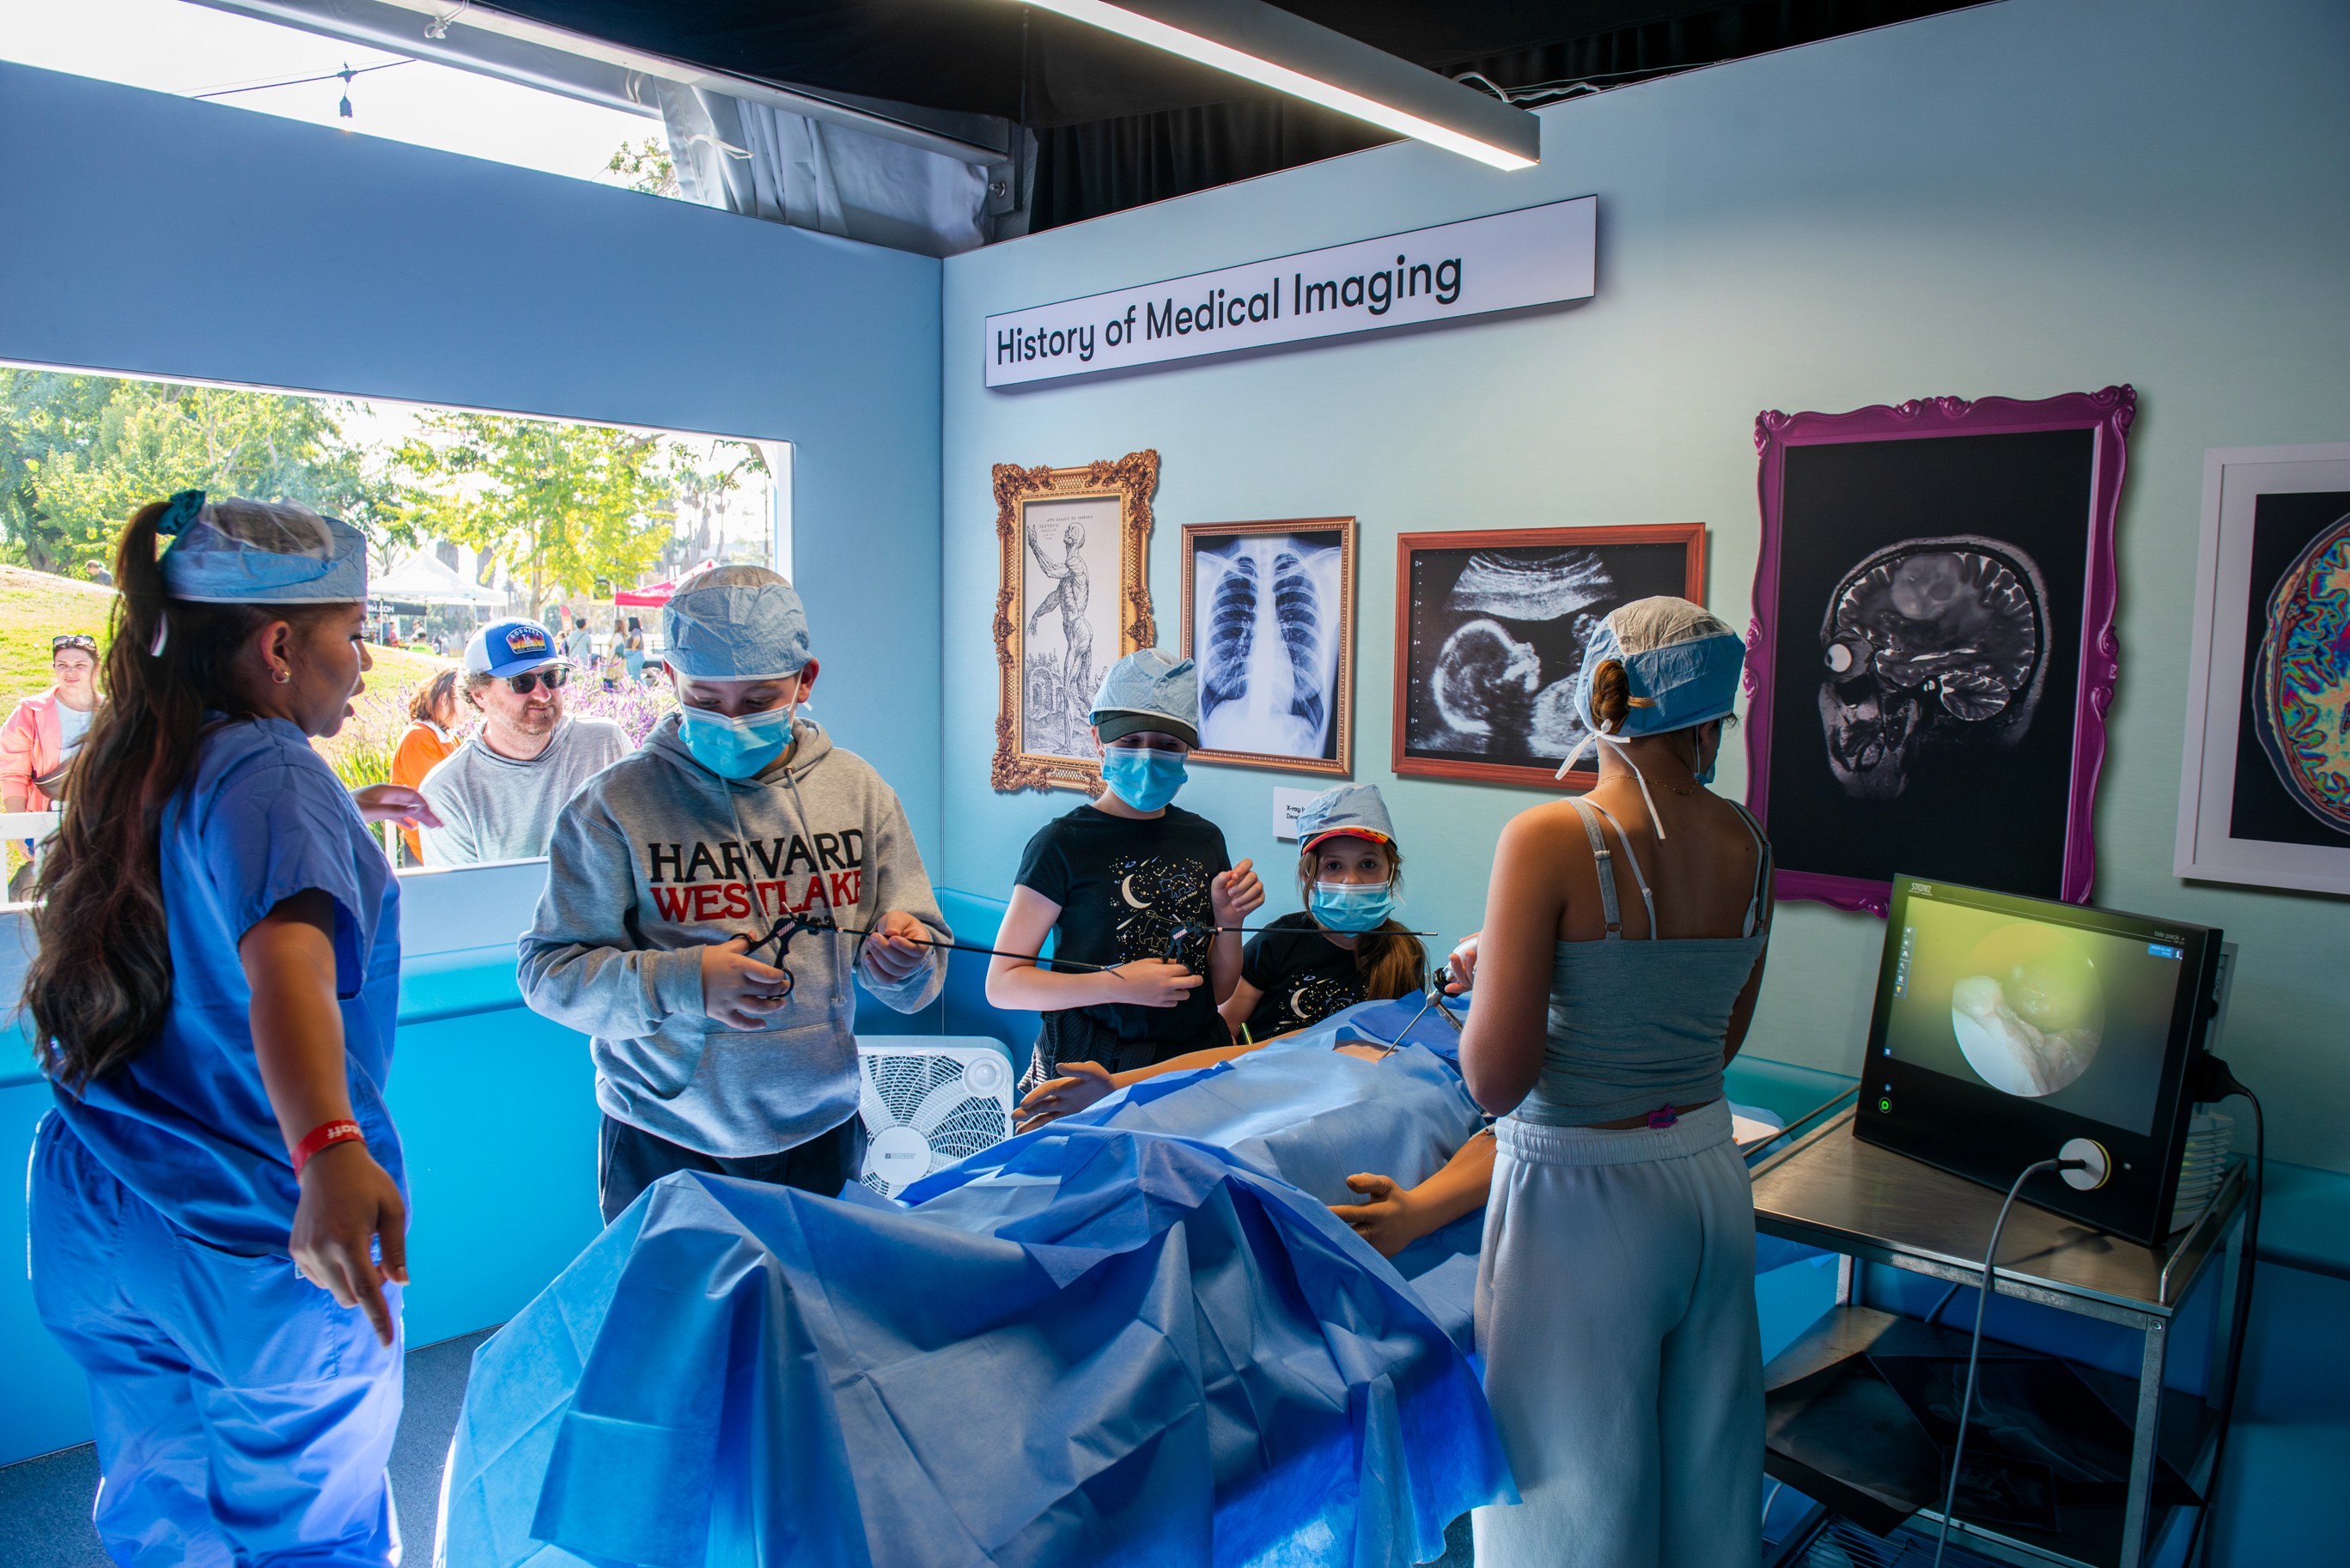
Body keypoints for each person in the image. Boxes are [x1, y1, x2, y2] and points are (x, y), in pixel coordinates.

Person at [23, 489, 438, 1565]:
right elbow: (285, 969)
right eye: (356, 633)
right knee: (311, 1532)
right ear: (281, 642)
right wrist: (329, 1151)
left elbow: (193, 909)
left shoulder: (137, 753)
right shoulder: (268, 767)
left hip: (97, 1206)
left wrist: (334, 819)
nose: (367, 658)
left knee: (166, 1507)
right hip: (247, 1226)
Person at [1453, 597, 1775, 1568]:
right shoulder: (1749, 842)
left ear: (1601, 697)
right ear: (1713, 716)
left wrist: (1494, 980)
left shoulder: (1550, 835)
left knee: (1566, 1507)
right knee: (1705, 1488)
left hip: (1579, 1197)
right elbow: (1711, 1049)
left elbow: (1496, 1081)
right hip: (1708, 1184)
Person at [518, 564, 951, 1222]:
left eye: (756, 701)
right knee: (677, 1325)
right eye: (704, 699)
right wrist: (684, 982)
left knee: (814, 1320)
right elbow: (547, 973)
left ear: (805, 681)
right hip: (666, 1137)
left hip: (822, 1128)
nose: (731, 719)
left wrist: (905, 962)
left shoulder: (858, 792)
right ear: (670, 680)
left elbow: (918, 966)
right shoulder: (614, 806)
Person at [985, 649, 1264, 1091]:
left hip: (1187, 1063)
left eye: (1168, 745)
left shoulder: (1205, 839)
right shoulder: (1062, 843)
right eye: (1130, 741)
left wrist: (1231, 923)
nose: (1148, 757)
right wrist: (1115, 984)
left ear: (1188, 749)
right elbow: (1003, 984)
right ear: (1099, 741)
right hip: (1089, 1065)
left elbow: (1218, 991)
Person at [1221, 782, 1427, 1042]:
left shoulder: (1405, 954)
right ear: (1308, 875)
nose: (1351, 881)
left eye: (1368, 864)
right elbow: (1225, 1029)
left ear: (1391, 871)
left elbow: (1406, 1042)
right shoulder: (1276, 943)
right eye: (1333, 865)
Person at [417, 619, 630, 865]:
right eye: (522, 682)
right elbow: (465, 899)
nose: (543, 694)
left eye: (551, 677)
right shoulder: (447, 790)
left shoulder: (606, 744)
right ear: (479, 694)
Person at [3, 633, 104, 898]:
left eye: (80, 665)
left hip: (101, 819)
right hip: (49, 818)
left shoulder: (114, 713)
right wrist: (20, 828)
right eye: (62, 665)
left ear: (95, 668)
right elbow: (12, 772)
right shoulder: (30, 712)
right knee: (38, 901)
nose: (70, 672)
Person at [389, 669, 461, 864]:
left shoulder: (449, 737)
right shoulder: (418, 738)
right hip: (424, 848)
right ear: (443, 699)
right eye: (462, 697)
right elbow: (432, 797)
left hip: (444, 845)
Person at [622, 616, 647, 684]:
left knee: (636, 677)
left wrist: (633, 647)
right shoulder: (633, 632)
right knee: (631, 677)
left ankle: (641, 692)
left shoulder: (636, 630)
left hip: (634, 655)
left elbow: (637, 638)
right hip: (630, 656)